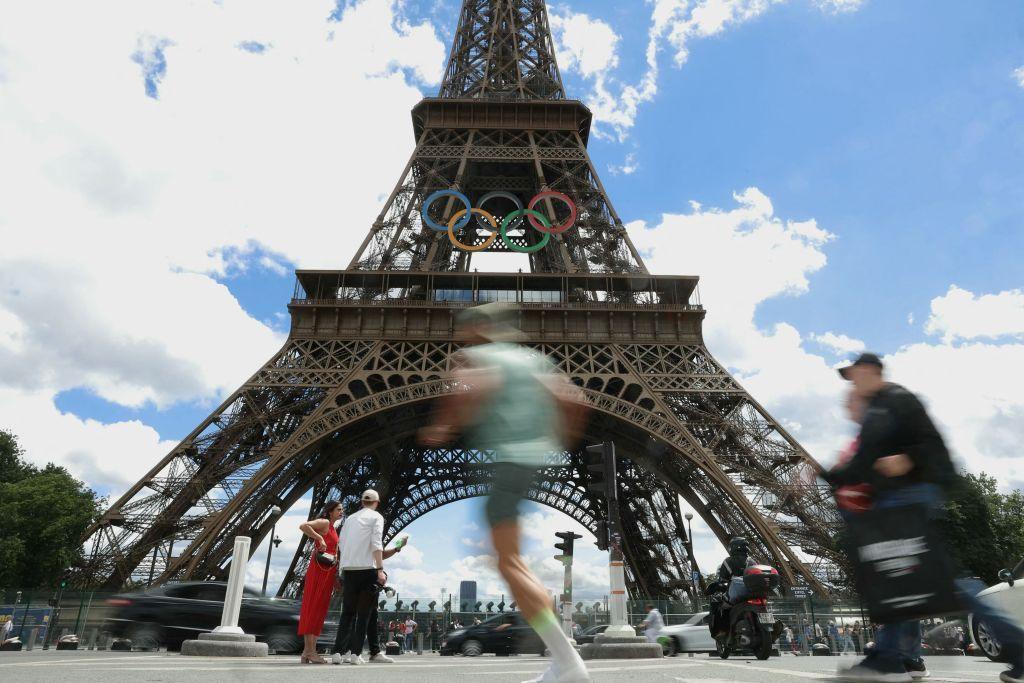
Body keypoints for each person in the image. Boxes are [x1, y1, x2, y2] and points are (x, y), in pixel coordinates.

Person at [822, 353, 1023, 683]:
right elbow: (864, 461)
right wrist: (822, 475)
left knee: (929, 580)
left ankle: (891, 659)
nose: (852, 383)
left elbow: (931, 444)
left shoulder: (895, 400)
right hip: (899, 496)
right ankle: (895, 658)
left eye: (854, 375)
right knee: (907, 578)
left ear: (870, 371)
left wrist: (908, 458)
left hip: (908, 496)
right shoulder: (881, 407)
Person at [420, 303, 591, 683]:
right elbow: (573, 400)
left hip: (506, 461)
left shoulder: (475, 356)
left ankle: (567, 662)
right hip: (536, 458)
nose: (460, 337)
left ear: (480, 328)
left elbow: (475, 389)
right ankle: (562, 652)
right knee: (511, 559)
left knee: (507, 560)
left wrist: (443, 425)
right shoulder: (532, 359)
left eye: (465, 329)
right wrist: (559, 438)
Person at [331, 489, 404, 665]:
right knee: (364, 614)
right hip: (367, 571)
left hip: (348, 570)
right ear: (376, 503)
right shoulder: (376, 517)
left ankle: (337, 654)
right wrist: (380, 569)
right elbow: (376, 544)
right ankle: (356, 654)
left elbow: (341, 544)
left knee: (347, 613)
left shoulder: (349, 520)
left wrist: (341, 570)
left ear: (362, 502)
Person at [297, 500, 343, 664]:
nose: (341, 511)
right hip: (318, 570)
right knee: (313, 608)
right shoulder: (324, 523)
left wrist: (336, 575)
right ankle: (310, 652)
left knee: (318, 610)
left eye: (342, 509)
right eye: (338, 509)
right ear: (330, 511)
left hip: (327, 571)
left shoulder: (333, 527)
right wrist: (319, 538)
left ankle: (307, 651)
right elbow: (303, 526)